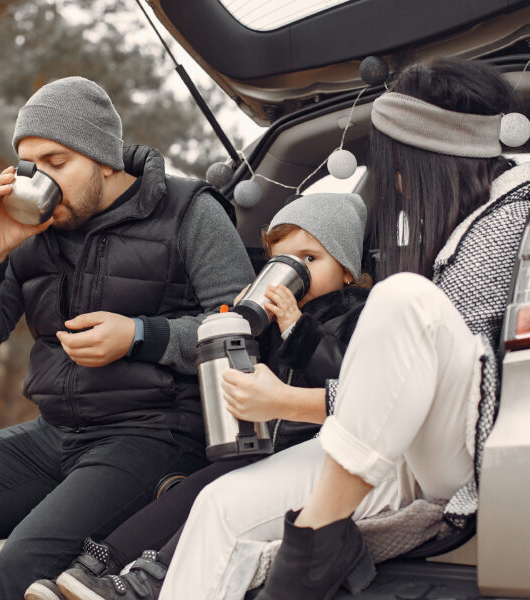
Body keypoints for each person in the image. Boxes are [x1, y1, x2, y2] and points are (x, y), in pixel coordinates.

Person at [147, 58, 530, 600]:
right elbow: (388, 394)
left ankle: (315, 538)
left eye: (398, 165)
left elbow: (446, 389)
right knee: (219, 507)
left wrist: (286, 401)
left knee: (402, 296)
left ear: (434, 156)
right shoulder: (461, 232)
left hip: (468, 449)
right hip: (399, 448)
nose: (397, 183)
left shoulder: (513, 218)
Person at [0, 76, 257, 600]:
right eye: (31, 165)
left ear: (103, 157)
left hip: (155, 434)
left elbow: (244, 328)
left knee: (20, 564)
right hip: (56, 433)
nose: (42, 179)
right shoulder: (30, 230)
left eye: (57, 162)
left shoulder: (190, 210)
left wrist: (140, 336)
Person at [26, 192, 371, 600]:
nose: (296, 272)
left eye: (310, 259)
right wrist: (239, 325)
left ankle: (147, 579)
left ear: (347, 270)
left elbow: (345, 380)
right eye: (280, 261)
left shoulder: (358, 313)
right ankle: (97, 565)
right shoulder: (273, 318)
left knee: (213, 497)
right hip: (258, 445)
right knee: (187, 491)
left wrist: (298, 328)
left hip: (309, 450)